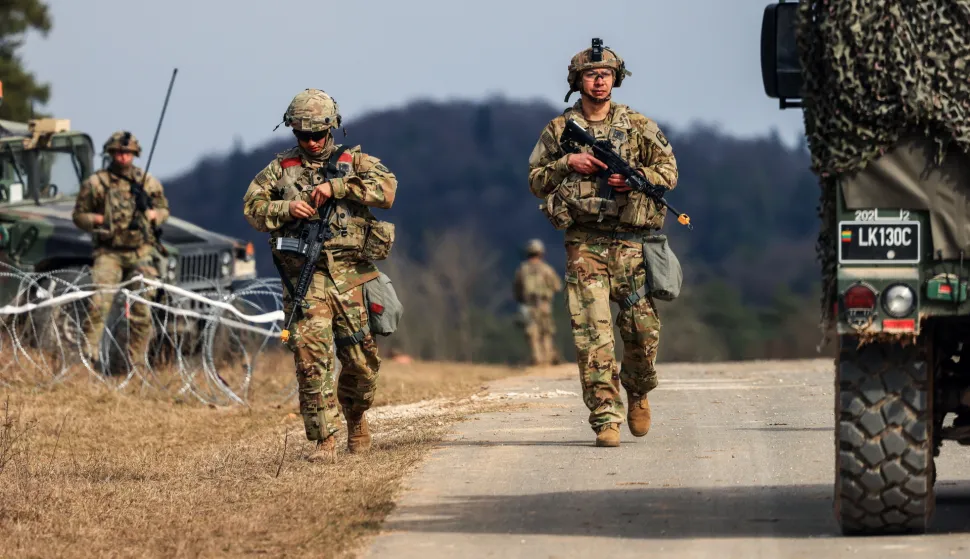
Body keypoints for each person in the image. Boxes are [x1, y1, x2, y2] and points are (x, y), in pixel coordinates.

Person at [527, 39, 679, 447]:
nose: (600, 81)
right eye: (592, 75)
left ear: (616, 79)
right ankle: (605, 417)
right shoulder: (559, 131)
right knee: (593, 335)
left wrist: (635, 179)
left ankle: (639, 391)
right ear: (578, 82)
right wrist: (567, 162)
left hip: (632, 243)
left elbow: (669, 170)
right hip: (585, 243)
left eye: (606, 74)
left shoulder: (639, 125)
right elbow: (535, 181)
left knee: (641, 331)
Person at [243, 89, 398, 463]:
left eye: (318, 134)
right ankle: (323, 440)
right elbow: (252, 208)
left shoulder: (355, 161)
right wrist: (284, 207)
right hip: (305, 279)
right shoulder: (280, 170)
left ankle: (356, 416)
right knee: (312, 360)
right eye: (303, 135)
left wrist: (338, 186)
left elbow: (387, 190)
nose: (311, 142)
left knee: (362, 363)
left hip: (352, 276)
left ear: (332, 129)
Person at [72, 131, 169, 371]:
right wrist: (95, 219)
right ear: (111, 153)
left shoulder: (147, 182)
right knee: (98, 304)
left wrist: (154, 215)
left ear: (134, 154)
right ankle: (88, 358)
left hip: (140, 252)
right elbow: (78, 215)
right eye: (118, 152)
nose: (123, 157)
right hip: (109, 252)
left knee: (141, 310)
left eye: (127, 152)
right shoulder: (96, 183)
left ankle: (135, 363)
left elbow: (164, 209)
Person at [513, 238, 562, 366]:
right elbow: (557, 286)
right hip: (544, 304)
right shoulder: (546, 269)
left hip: (529, 306)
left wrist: (520, 300)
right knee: (546, 331)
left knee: (532, 331)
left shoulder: (522, 269)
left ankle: (537, 358)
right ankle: (548, 357)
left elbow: (517, 289)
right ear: (541, 253)